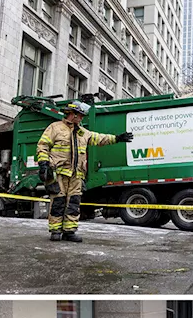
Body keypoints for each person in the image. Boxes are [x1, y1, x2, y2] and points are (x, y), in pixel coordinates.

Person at [35, 101, 133, 242]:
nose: (82, 118)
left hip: (76, 175)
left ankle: (69, 231)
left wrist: (117, 138)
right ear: (72, 114)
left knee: (73, 203)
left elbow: (99, 138)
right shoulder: (55, 128)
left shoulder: (82, 132)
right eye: (80, 115)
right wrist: (43, 164)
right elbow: (43, 145)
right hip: (59, 173)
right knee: (58, 202)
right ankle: (55, 230)